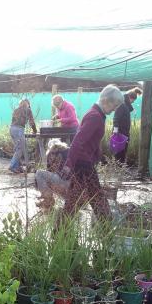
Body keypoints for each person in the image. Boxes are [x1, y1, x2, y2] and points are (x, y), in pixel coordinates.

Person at [59, 85, 125, 220]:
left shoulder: (96, 114)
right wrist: (68, 164)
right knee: (94, 200)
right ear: (106, 100)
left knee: (78, 202)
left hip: (84, 163)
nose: (115, 109)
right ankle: (108, 233)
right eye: (115, 104)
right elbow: (78, 140)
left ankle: (60, 234)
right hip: (82, 166)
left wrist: (97, 157)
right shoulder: (95, 116)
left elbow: (90, 142)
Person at [35, 138, 70, 210]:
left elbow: (49, 173)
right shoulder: (70, 150)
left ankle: (48, 200)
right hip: (77, 189)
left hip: (64, 185)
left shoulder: (52, 153)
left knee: (40, 174)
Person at [112, 87, 142, 163]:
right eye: (133, 100)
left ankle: (121, 168)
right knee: (119, 152)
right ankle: (118, 168)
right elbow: (116, 118)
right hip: (120, 133)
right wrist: (115, 131)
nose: (133, 102)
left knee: (123, 152)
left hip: (124, 133)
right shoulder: (122, 105)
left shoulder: (126, 106)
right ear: (129, 97)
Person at [9, 98, 37, 174]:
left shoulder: (16, 110)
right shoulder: (28, 110)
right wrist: (35, 131)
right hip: (19, 130)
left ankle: (17, 167)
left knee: (18, 148)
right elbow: (31, 122)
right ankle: (12, 166)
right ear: (27, 104)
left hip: (12, 129)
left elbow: (14, 120)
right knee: (20, 149)